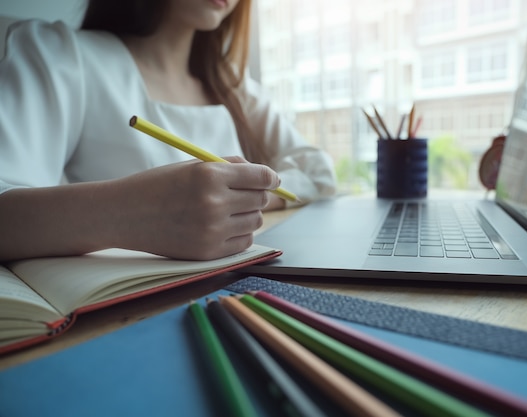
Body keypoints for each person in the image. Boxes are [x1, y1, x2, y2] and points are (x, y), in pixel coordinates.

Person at [0, 0, 336, 262]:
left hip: (245, 286)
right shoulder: (61, 54)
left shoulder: (233, 86)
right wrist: (126, 213)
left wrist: (248, 200)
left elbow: (318, 171)